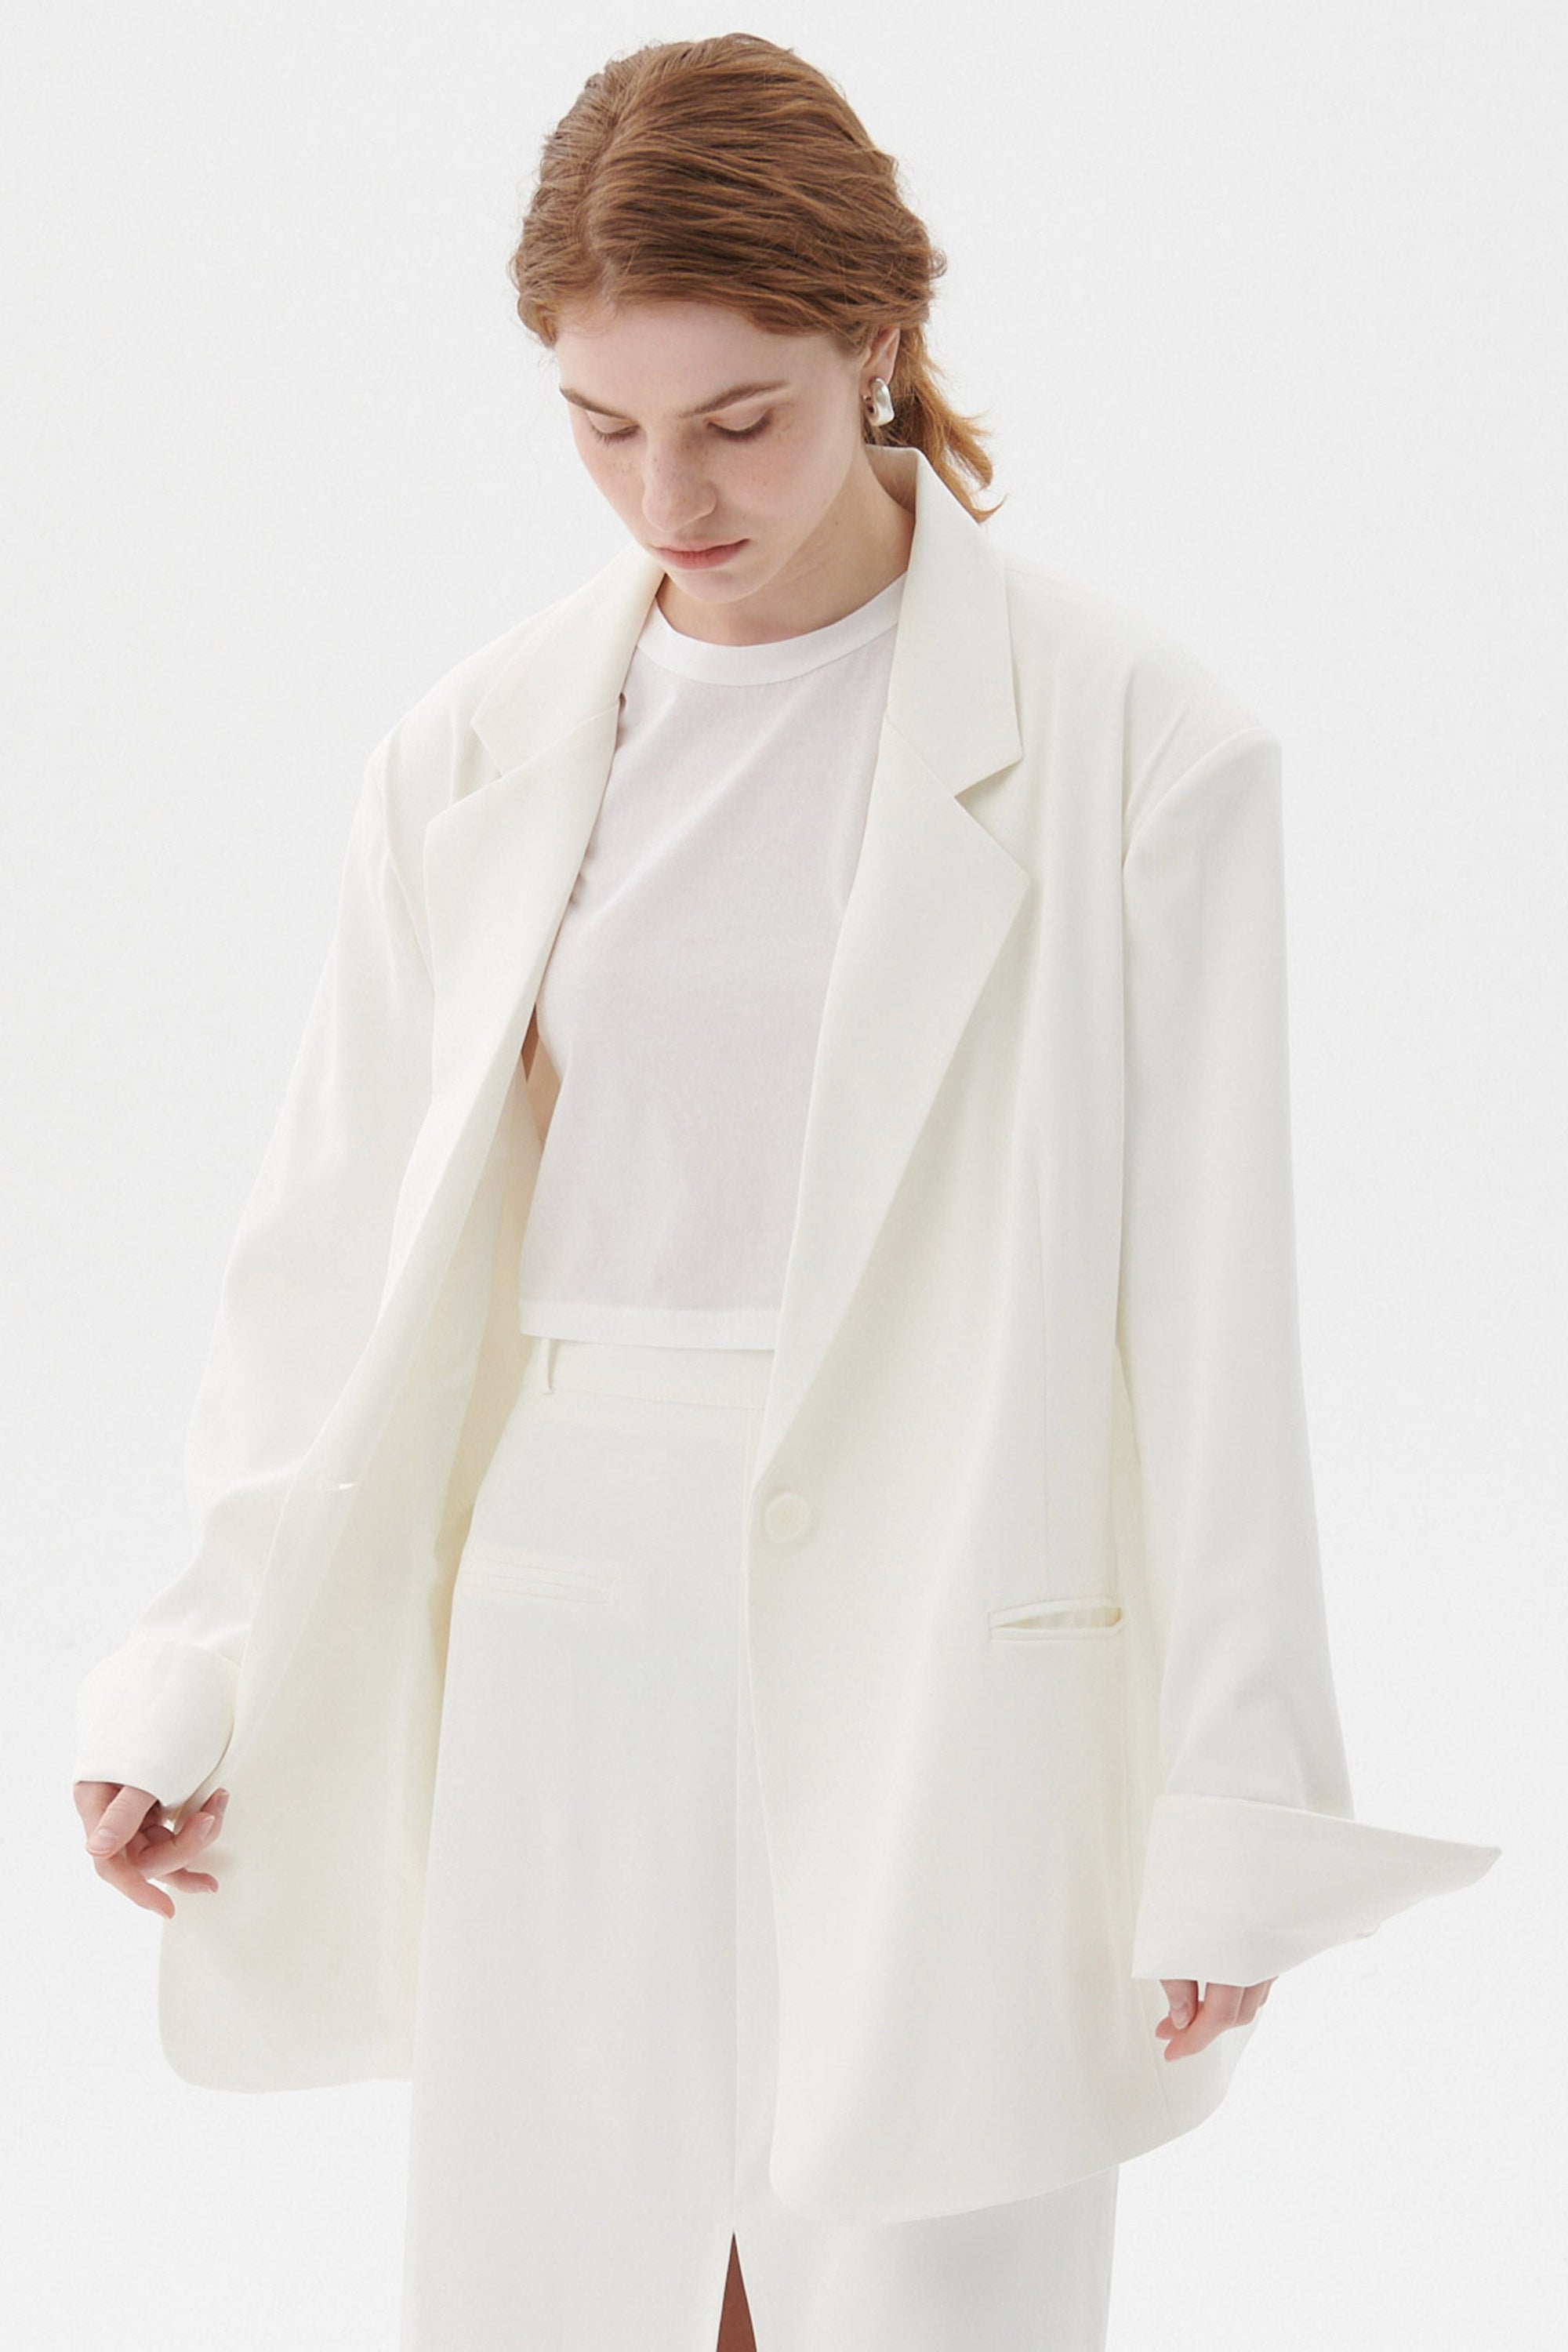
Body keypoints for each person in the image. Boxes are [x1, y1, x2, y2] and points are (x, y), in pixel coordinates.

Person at [72, 32, 1500, 2352]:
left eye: (738, 419)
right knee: (575, 2277)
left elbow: (1212, 1319)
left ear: (878, 339)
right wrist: (204, 1668)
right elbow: (330, 1252)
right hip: (569, 1614)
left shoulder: (1143, 747)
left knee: (919, 2280)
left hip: (964, 1606)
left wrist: (1234, 1793)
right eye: (600, 426)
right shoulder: (469, 749)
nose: (671, 494)